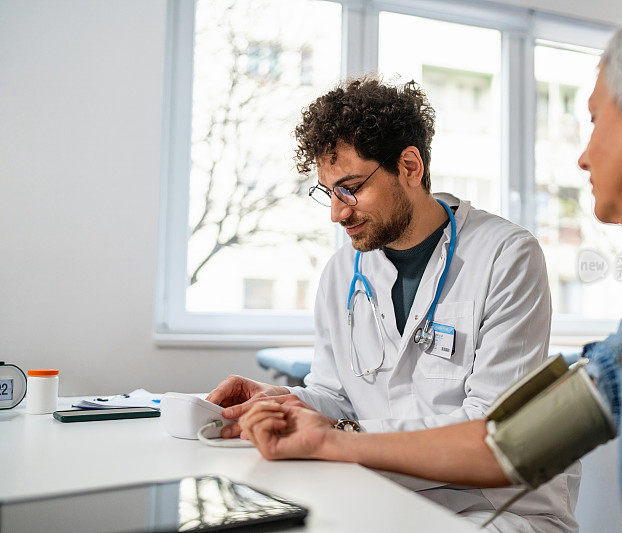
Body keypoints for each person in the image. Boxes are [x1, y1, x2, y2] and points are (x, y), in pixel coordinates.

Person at [234, 0, 622, 530]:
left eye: (596, 118)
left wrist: (335, 439)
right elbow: (510, 443)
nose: (582, 154)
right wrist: (322, 435)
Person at [206, 78, 580, 531]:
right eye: (328, 193)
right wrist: (282, 400)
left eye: (350, 188)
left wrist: (340, 437)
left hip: (495, 509)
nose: (337, 213)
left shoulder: (506, 255)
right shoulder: (343, 272)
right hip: (383, 494)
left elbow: (492, 429)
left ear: (409, 165)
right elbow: (336, 396)